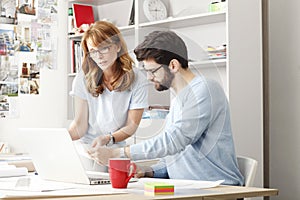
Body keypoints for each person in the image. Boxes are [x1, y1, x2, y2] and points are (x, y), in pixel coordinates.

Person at [88, 30, 244, 185]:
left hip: (218, 190)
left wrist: (117, 153)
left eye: (152, 71)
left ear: (173, 65)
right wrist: (146, 171)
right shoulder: (178, 100)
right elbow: (174, 158)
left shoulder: (205, 89)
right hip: (189, 190)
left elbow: (173, 141)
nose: (149, 78)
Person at [68, 21, 148, 169]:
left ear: (117, 46)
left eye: (104, 49)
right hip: (87, 149)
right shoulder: (83, 78)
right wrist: (60, 139)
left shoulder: (138, 79)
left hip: (115, 148)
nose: (98, 56)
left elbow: (131, 126)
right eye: (93, 51)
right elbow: (80, 125)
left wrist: (108, 139)